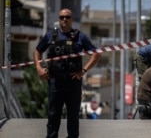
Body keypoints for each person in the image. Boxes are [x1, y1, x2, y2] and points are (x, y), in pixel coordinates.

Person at [33, 8, 101, 138]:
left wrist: (84, 70)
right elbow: (37, 51)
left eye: (67, 17)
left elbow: (96, 54)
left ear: (72, 20)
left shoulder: (80, 36)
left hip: (73, 83)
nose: (64, 19)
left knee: (73, 117)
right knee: (53, 115)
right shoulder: (50, 35)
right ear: (59, 19)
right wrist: (39, 67)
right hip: (55, 82)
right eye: (61, 17)